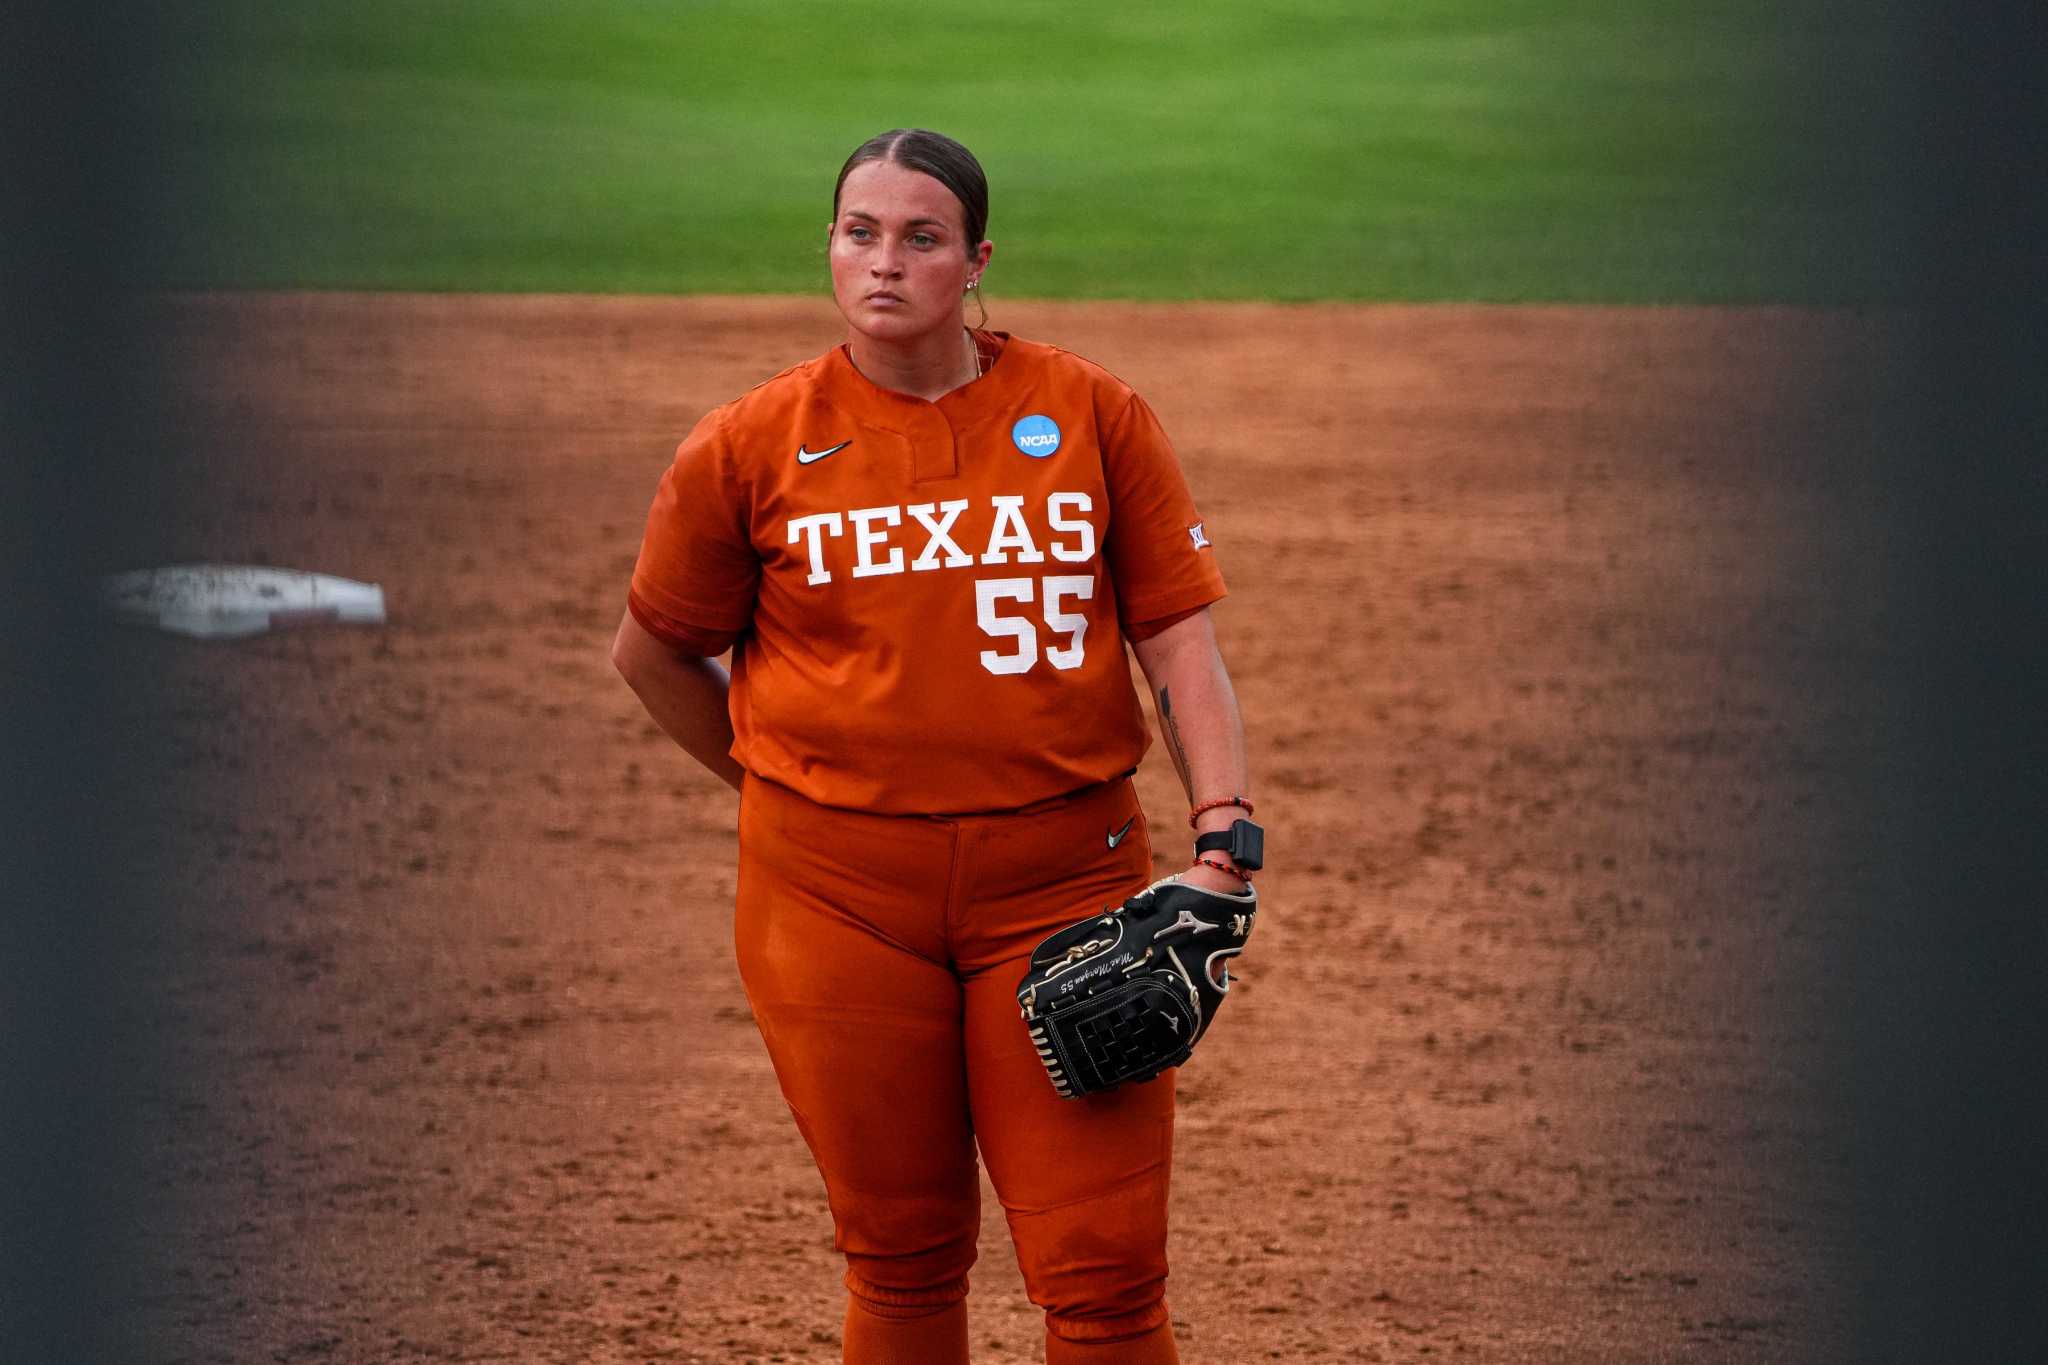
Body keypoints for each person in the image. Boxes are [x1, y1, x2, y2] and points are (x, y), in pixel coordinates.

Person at [611, 128, 1258, 1365]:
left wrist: (1222, 838)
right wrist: (790, 790)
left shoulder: (1088, 413)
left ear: (974, 262)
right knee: (901, 1263)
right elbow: (653, 652)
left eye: (921, 237)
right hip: (832, 905)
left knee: (1104, 1275)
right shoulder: (747, 447)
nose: (885, 262)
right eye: (860, 233)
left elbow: (1177, 639)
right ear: (829, 251)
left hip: (1064, 886)